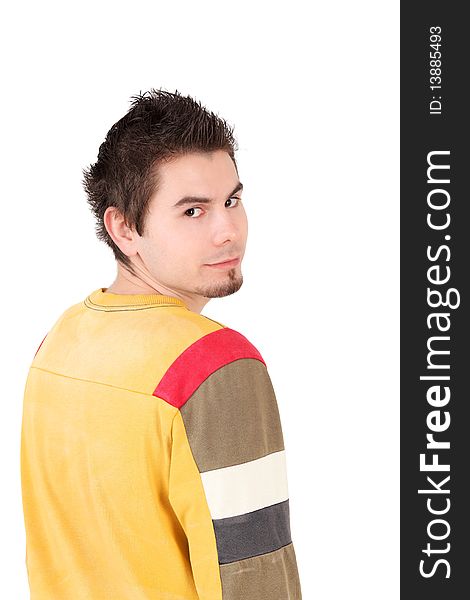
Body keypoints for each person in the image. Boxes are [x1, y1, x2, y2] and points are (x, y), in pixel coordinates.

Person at [20, 88, 302, 599]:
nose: (228, 231)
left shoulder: (57, 343)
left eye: (232, 201)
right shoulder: (216, 366)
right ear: (124, 228)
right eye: (193, 212)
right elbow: (254, 579)